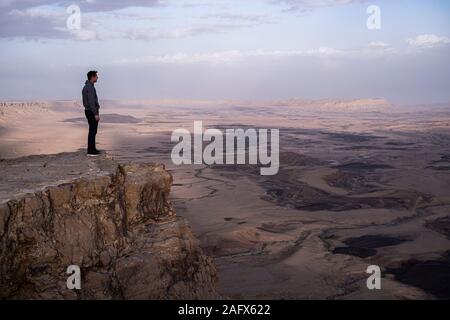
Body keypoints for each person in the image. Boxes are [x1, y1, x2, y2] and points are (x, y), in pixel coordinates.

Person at [82, 70, 101, 156]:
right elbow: (91, 102)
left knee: (93, 131)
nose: (97, 77)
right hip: (91, 111)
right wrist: (95, 114)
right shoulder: (89, 88)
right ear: (92, 77)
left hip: (89, 111)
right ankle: (91, 151)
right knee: (93, 131)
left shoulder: (89, 86)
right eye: (96, 76)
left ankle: (92, 149)